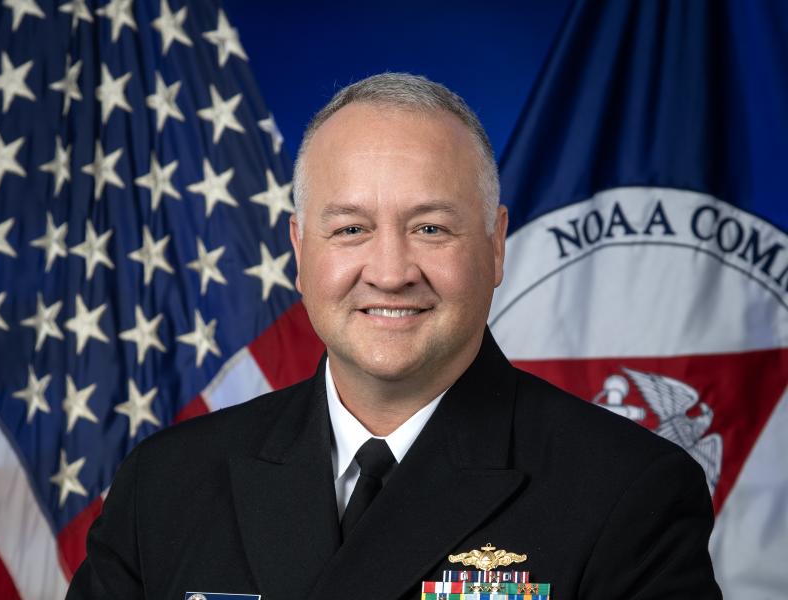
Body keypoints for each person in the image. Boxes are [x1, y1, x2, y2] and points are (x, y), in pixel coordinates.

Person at [67, 73, 721, 599]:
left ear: (496, 248)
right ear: (300, 251)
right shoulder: (164, 485)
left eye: (431, 228)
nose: (390, 272)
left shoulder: (629, 493)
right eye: (350, 228)